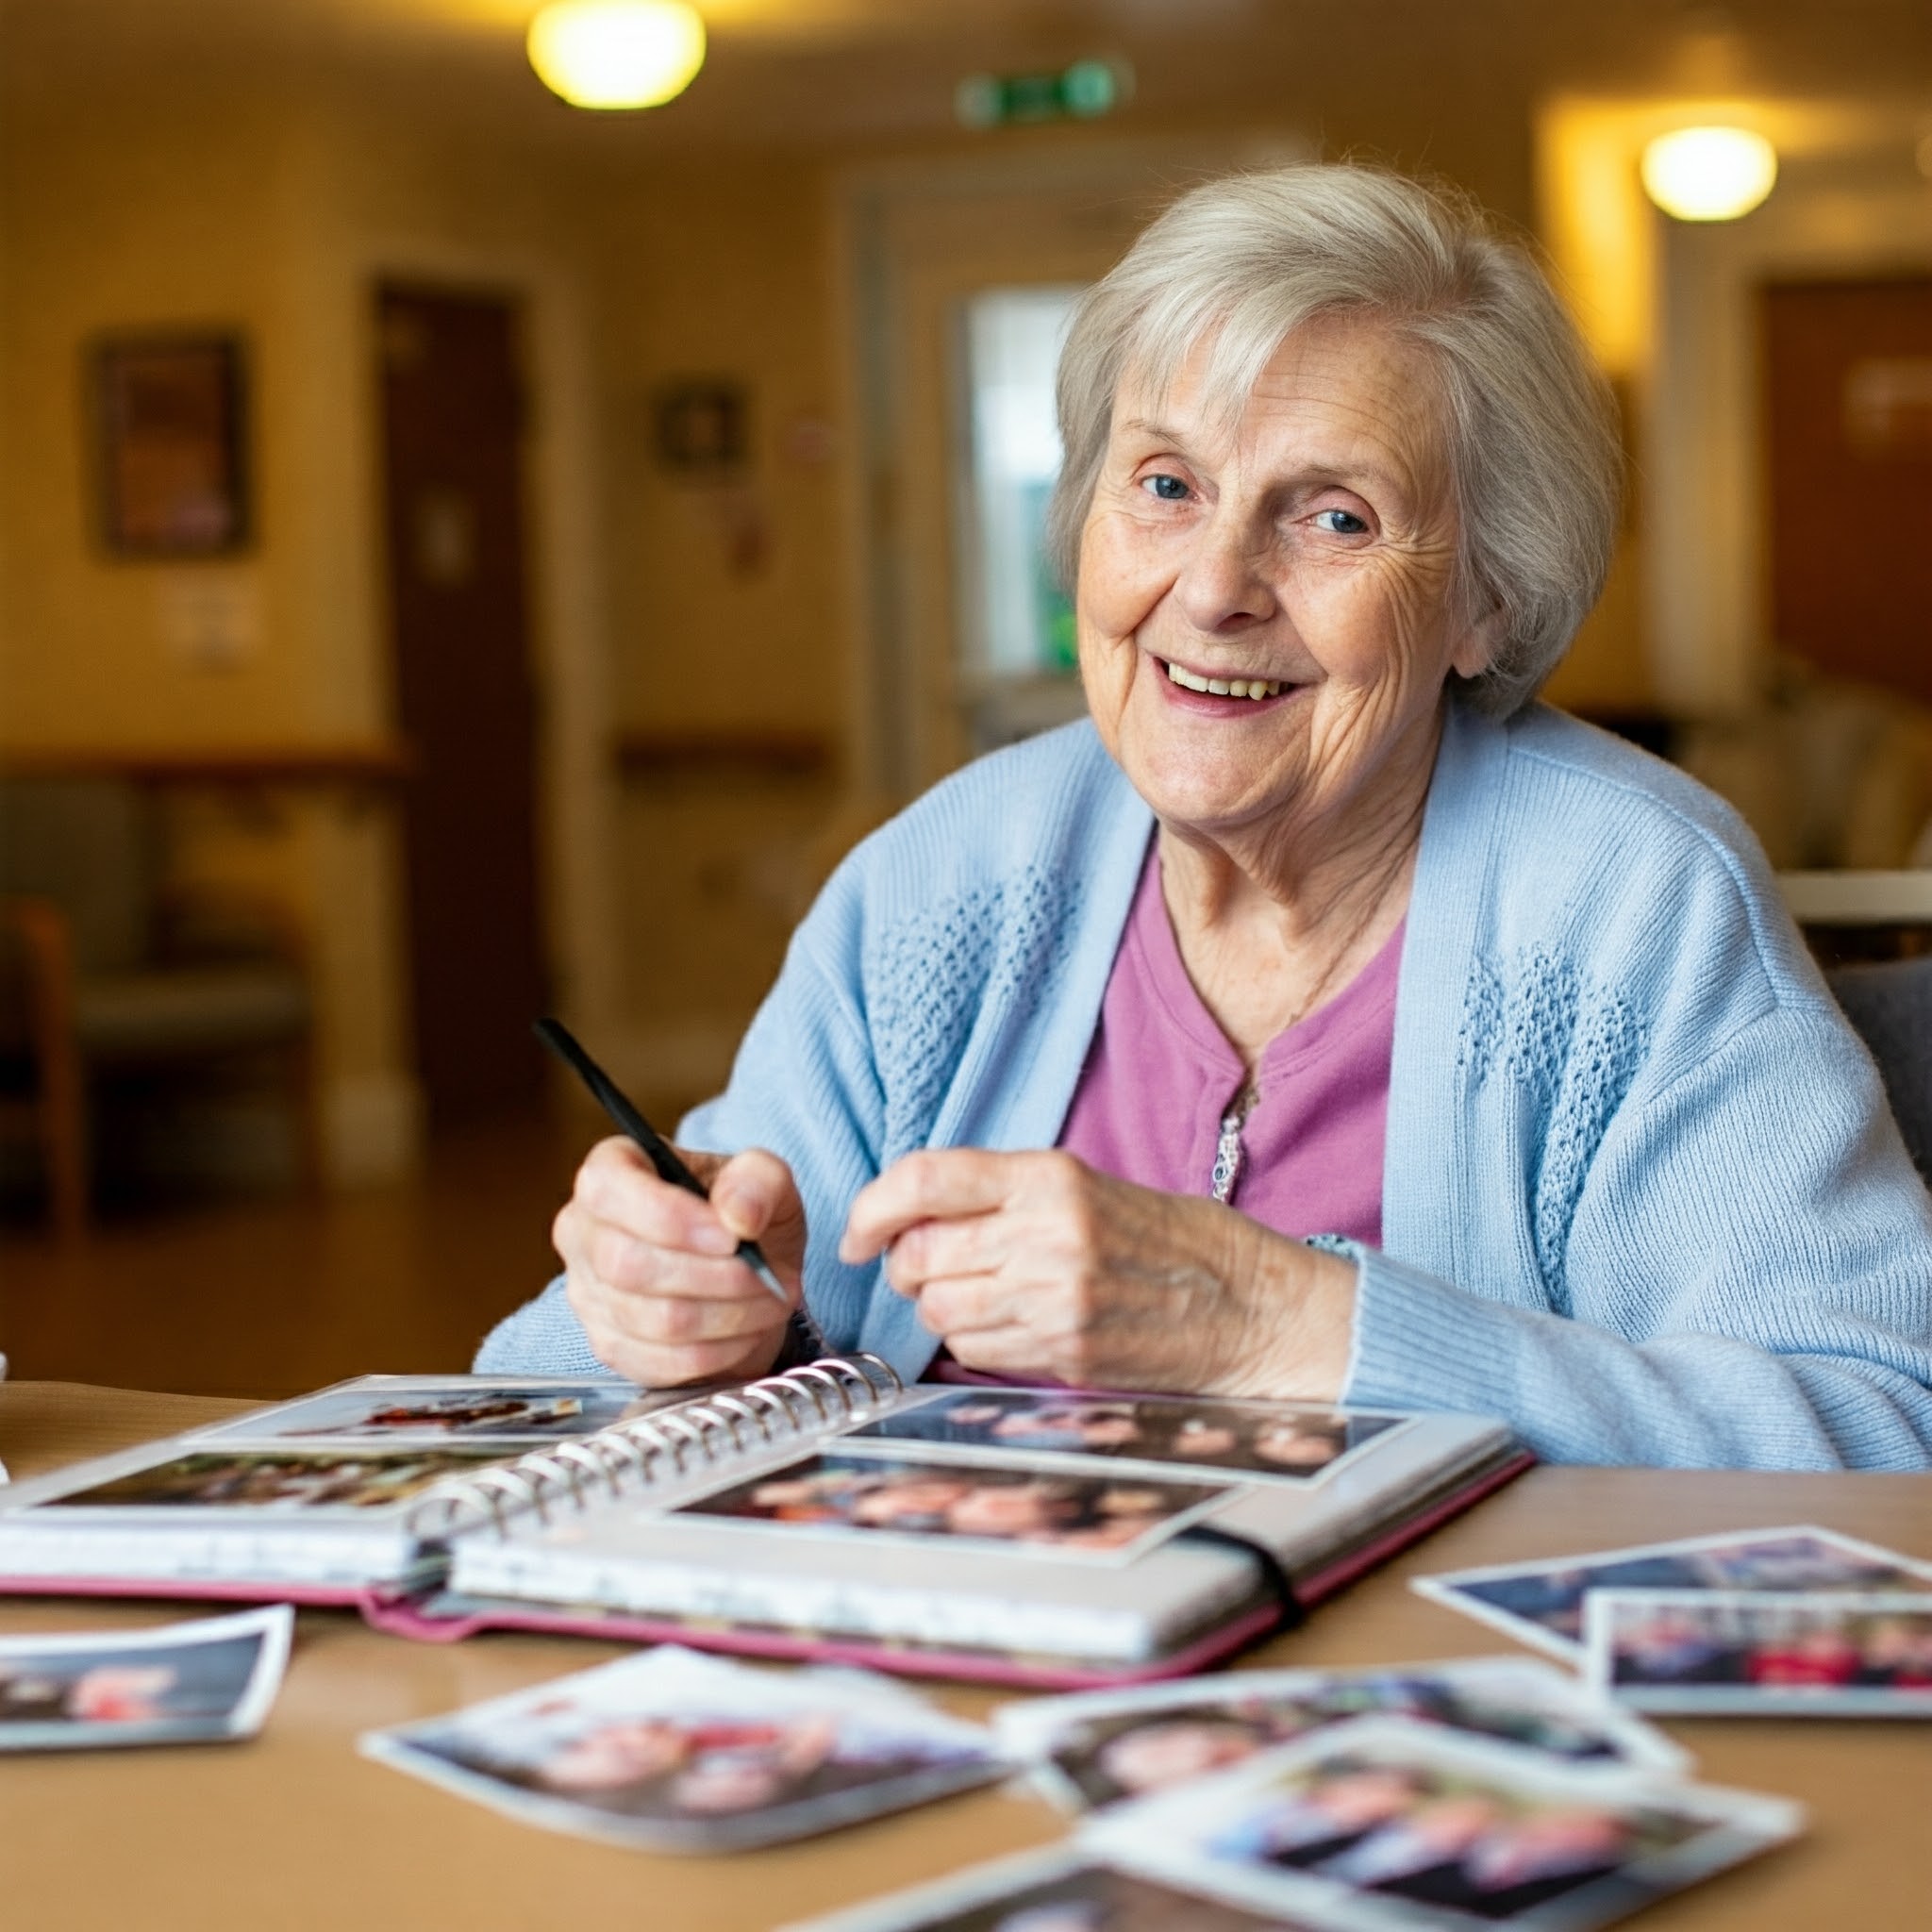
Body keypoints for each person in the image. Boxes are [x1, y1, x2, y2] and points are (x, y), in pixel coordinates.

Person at [480, 162, 1932, 1470]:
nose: (1217, 584)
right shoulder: (944, 882)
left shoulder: (1628, 901)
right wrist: (681, 1318)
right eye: (1165, 484)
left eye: (1335, 516)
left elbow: (1882, 1427)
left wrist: (1281, 1322)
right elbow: (535, 1388)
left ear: (1487, 596)